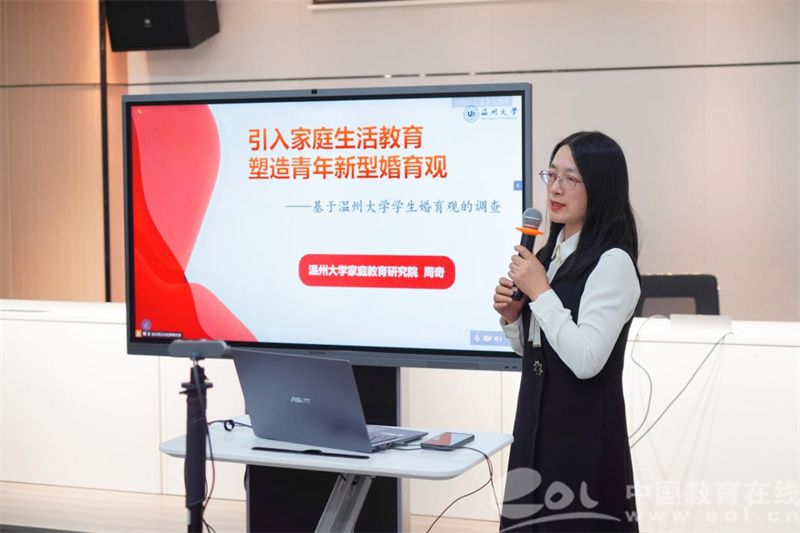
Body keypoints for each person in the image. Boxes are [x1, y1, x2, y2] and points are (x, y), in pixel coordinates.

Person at [494, 131, 640, 532]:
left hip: (582, 441)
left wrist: (540, 292)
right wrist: (513, 318)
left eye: (570, 178)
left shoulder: (612, 263)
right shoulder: (548, 255)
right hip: (534, 427)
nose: (555, 188)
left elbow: (586, 359)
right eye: (551, 175)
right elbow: (539, 351)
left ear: (601, 187)